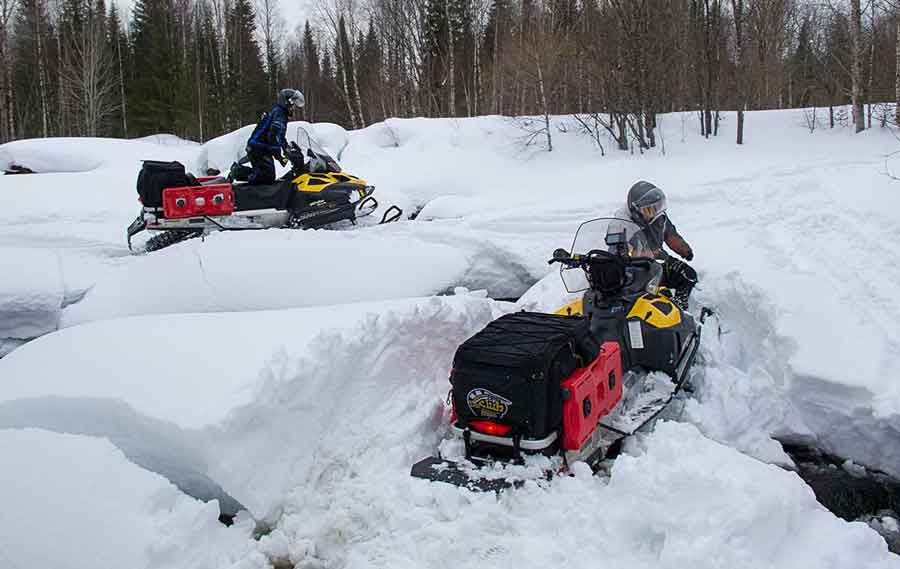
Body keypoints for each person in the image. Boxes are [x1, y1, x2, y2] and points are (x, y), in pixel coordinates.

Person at [620, 180, 697, 310]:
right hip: (637, 270)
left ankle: (680, 307)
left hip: (659, 263)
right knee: (647, 296)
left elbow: (670, 235)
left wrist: (684, 250)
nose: (654, 211)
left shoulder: (659, 218)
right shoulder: (623, 224)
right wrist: (648, 255)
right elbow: (621, 252)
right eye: (649, 209)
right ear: (636, 209)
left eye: (657, 206)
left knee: (688, 276)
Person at [246, 88, 305, 185]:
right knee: (266, 177)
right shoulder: (279, 114)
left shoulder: (281, 113)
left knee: (267, 176)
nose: (292, 108)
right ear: (286, 102)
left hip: (262, 147)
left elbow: (280, 136)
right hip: (257, 147)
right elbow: (273, 135)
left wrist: (286, 148)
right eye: (291, 104)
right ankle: (240, 179)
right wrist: (278, 153)